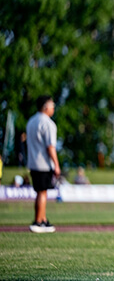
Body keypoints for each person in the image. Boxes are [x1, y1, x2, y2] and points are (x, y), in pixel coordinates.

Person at [26, 95, 60, 233]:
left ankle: (43, 218)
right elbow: (50, 146)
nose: (53, 108)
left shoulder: (31, 121)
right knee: (42, 193)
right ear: (46, 107)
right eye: (52, 105)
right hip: (43, 163)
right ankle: (39, 221)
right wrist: (56, 164)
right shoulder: (48, 123)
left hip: (33, 162)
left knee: (40, 191)